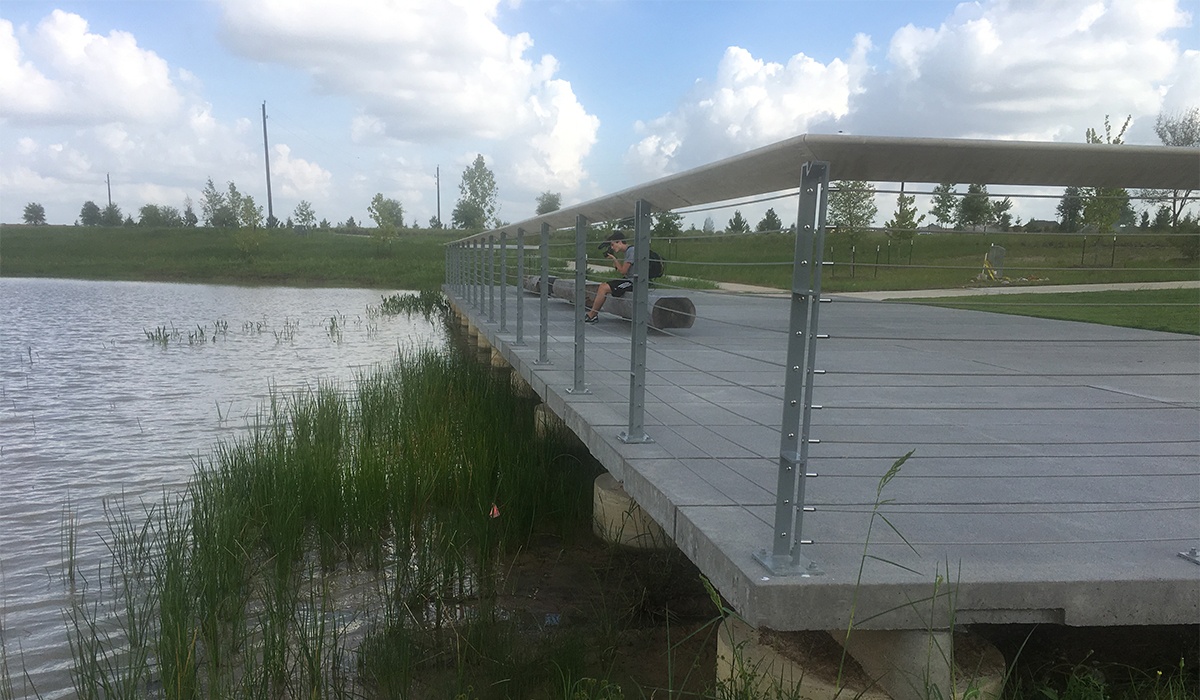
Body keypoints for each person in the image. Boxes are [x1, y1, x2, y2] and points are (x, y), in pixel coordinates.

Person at [584, 231, 634, 323]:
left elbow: (623, 271)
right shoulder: (628, 251)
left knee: (604, 287)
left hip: (634, 282)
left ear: (619, 242)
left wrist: (615, 259)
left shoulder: (631, 251)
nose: (612, 247)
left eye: (612, 244)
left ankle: (592, 315)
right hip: (629, 280)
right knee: (603, 286)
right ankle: (593, 314)